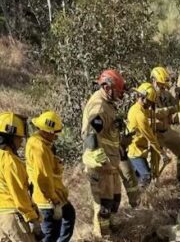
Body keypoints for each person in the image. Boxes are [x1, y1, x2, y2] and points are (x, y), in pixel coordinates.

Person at [81, 69, 128, 237]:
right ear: (107, 88)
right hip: (101, 164)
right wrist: (96, 154)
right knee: (104, 205)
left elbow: (106, 132)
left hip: (110, 163)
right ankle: (102, 235)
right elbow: (90, 133)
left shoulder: (108, 105)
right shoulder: (99, 106)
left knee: (114, 200)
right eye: (118, 90)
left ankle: (110, 228)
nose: (120, 94)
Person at [26, 111, 75, 241]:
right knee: (51, 233)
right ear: (48, 132)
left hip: (55, 194)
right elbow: (43, 178)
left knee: (69, 215)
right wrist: (54, 200)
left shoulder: (40, 143)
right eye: (55, 133)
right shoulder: (40, 149)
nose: (56, 137)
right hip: (47, 200)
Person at [0, 112, 43, 242]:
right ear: (10, 138)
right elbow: (19, 193)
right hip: (13, 216)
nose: (21, 142)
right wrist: (33, 219)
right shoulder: (10, 161)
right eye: (19, 138)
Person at [127, 82, 170, 186]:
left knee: (142, 178)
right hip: (135, 152)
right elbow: (150, 137)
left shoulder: (138, 108)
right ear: (143, 98)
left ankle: (141, 198)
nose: (150, 105)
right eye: (149, 102)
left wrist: (167, 112)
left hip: (139, 150)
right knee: (146, 177)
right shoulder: (139, 115)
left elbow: (152, 114)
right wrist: (162, 153)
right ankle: (143, 200)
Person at [151, 67, 180, 182]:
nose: (162, 87)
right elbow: (154, 114)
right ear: (153, 81)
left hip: (167, 130)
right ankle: (153, 185)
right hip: (154, 134)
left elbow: (177, 107)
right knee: (154, 164)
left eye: (163, 84)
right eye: (159, 84)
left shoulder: (166, 94)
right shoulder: (148, 95)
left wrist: (178, 96)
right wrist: (169, 110)